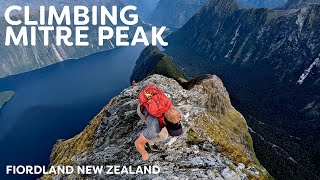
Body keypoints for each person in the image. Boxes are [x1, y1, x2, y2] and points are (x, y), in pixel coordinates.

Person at [134, 85, 183, 161]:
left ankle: (142, 103)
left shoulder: (176, 113)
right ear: (164, 121)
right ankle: (149, 142)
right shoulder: (154, 128)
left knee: (162, 133)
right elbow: (138, 143)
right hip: (142, 111)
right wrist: (144, 154)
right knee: (163, 136)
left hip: (149, 101)